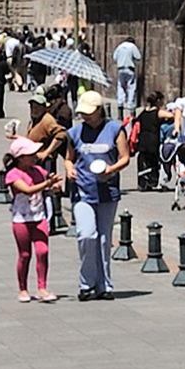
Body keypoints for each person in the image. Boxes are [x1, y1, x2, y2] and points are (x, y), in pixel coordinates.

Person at [68, 92, 126, 298]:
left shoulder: (115, 129)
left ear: (99, 110)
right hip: (83, 191)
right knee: (86, 234)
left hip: (107, 191)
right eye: (82, 113)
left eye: (89, 113)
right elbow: (69, 158)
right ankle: (86, 282)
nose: (85, 117)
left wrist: (111, 170)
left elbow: (125, 157)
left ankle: (104, 285)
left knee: (103, 239)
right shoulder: (74, 133)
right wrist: (68, 168)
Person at [4, 116, 62, 303]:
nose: (34, 156)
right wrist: (47, 184)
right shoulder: (13, 174)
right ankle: (22, 288)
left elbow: (50, 185)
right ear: (20, 158)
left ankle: (42, 287)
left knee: (43, 251)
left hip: (39, 217)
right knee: (25, 254)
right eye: (30, 154)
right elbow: (28, 190)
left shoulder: (38, 170)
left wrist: (54, 186)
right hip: (21, 219)